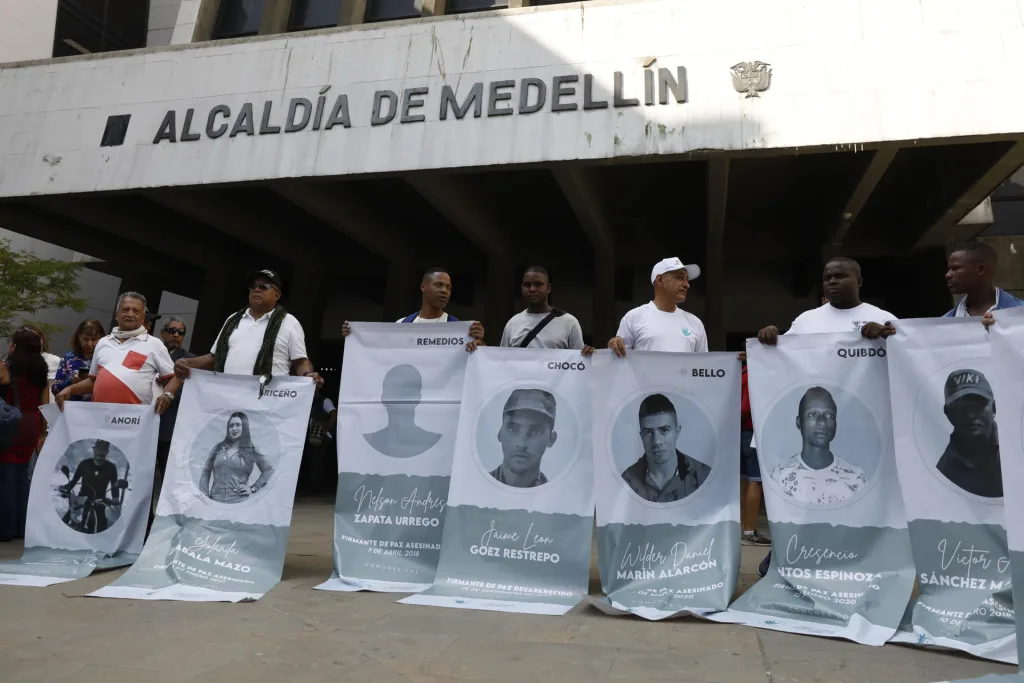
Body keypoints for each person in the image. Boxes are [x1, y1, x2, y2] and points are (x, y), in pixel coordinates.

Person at [173, 270, 324, 388]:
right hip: (226, 396)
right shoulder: (233, 320)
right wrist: (187, 363)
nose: (257, 290)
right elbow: (214, 358)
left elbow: (300, 361)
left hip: (266, 400)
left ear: (277, 294)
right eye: (253, 286)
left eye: (264, 287)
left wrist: (308, 375)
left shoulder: (289, 322)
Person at [55, 292, 180, 413]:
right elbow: (94, 381)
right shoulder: (103, 342)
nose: (130, 314)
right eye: (125, 310)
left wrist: (167, 395)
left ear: (143, 317)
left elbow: (176, 376)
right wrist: (70, 389)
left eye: (136, 311)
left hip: (133, 420)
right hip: (98, 417)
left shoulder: (154, 344)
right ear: (117, 314)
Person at [757, 257, 896, 344]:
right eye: (827, 278)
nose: (832, 281)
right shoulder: (805, 321)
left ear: (859, 282)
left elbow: (910, 357)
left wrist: (888, 338)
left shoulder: (883, 319)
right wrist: (770, 335)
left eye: (839, 276)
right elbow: (781, 355)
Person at [341, 267, 485, 350]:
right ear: (423, 287)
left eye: (448, 288)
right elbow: (380, 353)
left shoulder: (460, 329)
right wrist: (354, 335)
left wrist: (480, 344)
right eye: (439, 285)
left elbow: (475, 363)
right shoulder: (402, 325)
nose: (444, 291)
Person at [769, 387, 866, 505]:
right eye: (813, 414)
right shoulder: (782, 476)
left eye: (829, 415)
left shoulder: (855, 477)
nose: (822, 422)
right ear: (799, 422)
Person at [0, 328, 49, 541]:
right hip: (32, 421)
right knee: (22, 475)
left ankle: (5, 529)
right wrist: (41, 432)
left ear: (16, 346)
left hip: (11, 420)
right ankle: (22, 527)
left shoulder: (6, 366)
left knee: (5, 474)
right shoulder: (41, 369)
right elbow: (45, 402)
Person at [621, 393, 710, 503]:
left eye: (664, 430)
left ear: (677, 432)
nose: (657, 441)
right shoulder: (626, 481)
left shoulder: (703, 476)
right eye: (648, 432)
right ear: (641, 436)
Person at [609, 257, 706, 357]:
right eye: (680, 278)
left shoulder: (695, 323)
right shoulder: (634, 317)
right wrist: (612, 347)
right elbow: (619, 360)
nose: (687, 285)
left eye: (687, 279)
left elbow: (704, 366)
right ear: (660, 280)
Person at [151, 316, 195, 528]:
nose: (176, 335)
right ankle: (145, 522)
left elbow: (196, 393)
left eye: (180, 332)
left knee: (172, 480)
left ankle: (171, 523)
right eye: (172, 330)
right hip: (146, 426)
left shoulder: (190, 360)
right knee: (145, 479)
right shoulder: (150, 354)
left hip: (172, 429)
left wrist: (171, 385)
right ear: (163, 333)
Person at [936, 369, 1001, 498]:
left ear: (993, 408)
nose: (970, 415)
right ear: (948, 413)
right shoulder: (944, 471)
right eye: (961, 408)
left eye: (978, 406)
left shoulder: (1018, 449)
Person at [500, 266, 594, 353]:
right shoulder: (512, 323)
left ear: (548, 288)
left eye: (538, 284)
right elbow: (501, 360)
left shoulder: (569, 322)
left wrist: (588, 353)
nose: (532, 289)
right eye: (527, 285)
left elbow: (578, 362)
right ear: (522, 288)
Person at [362, 364, 441, 458]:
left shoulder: (434, 441)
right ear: (383, 397)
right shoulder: (368, 441)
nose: (399, 394)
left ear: (418, 397)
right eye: (393, 386)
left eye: (406, 388)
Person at [943, 242, 1023, 328]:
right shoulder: (944, 325)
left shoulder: (1021, 315)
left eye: (955, 268)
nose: (947, 275)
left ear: (980, 269)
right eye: (949, 269)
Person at [199, 412, 274, 503]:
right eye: (231, 426)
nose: (234, 428)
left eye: (238, 425)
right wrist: (205, 498)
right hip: (215, 500)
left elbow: (269, 470)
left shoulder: (251, 449)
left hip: (238, 501)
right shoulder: (218, 448)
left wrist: (254, 488)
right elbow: (205, 472)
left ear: (244, 427)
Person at [491, 389, 558, 488]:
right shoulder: (474, 487)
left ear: (551, 439)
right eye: (512, 429)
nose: (521, 444)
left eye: (536, 432)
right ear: (500, 433)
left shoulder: (557, 498)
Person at [60, 439, 121, 533]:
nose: (100, 452)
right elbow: (73, 481)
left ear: (107, 452)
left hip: (100, 503)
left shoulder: (111, 467)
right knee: (65, 525)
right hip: (81, 503)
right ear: (94, 449)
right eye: (99, 449)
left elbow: (114, 487)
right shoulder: (85, 464)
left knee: (102, 529)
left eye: (103, 450)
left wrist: (115, 499)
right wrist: (65, 488)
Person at [740, 364, 769, 544]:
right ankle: (750, 531)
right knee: (755, 481)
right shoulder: (756, 373)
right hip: (752, 430)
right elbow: (745, 407)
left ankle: (744, 527)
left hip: (740, 432)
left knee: (744, 480)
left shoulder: (740, 372)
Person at [51, 319, 106, 402]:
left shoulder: (105, 359)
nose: (89, 343)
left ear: (101, 339)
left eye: (94, 339)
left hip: (95, 409)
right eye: (85, 339)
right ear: (78, 337)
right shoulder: (68, 357)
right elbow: (55, 389)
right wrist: (70, 381)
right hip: (70, 408)